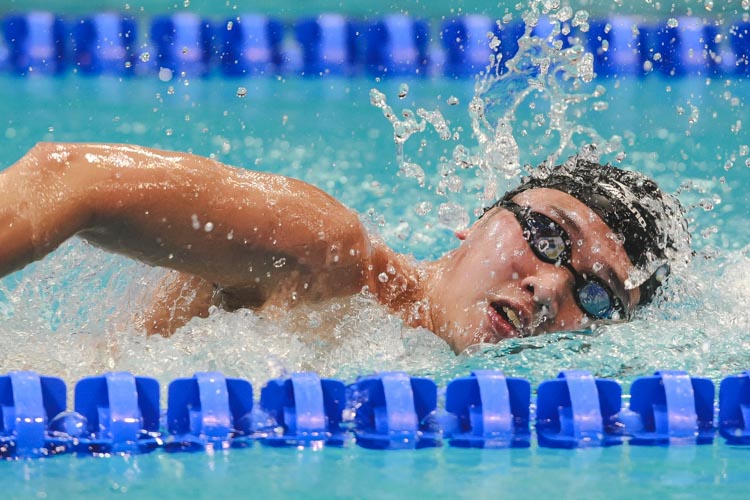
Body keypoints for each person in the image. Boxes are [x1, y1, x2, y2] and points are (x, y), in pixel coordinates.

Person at [0, 142, 690, 353]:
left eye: (594, 295)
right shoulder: (325, 257)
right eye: (545, 236)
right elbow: (73, 176)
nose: (548, 288)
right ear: (475, 221)